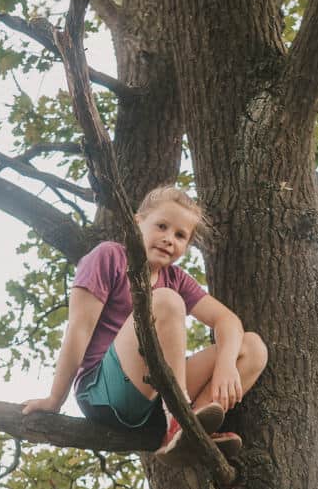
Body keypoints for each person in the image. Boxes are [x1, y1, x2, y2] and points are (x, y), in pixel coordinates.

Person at [22, 184, 267, 459]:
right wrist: (55, 399)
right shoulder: (109, 257)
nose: (168, 239)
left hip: (153, 401)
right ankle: (178, 416)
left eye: (180, 235)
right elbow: (79, 331)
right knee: (165, 300)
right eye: (161, 226)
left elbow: (227, 320)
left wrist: (225, 364)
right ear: (138, 223)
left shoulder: (175, 278)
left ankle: (189, 430)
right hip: (101, 391)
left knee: (252, 347)